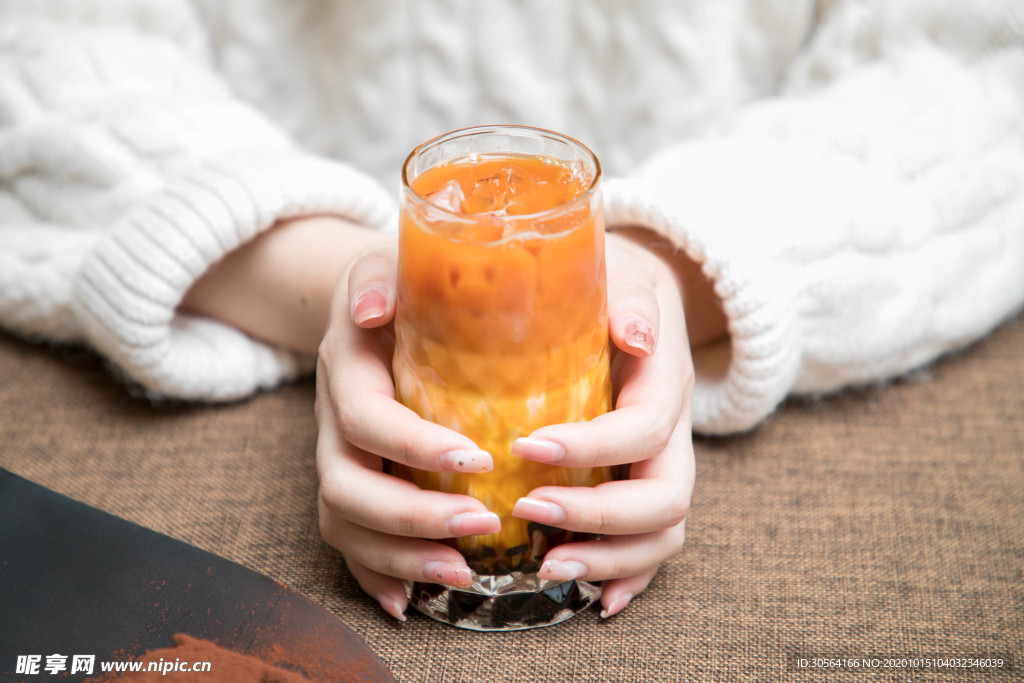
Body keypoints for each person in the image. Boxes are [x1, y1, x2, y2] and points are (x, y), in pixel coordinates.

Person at [1, 0, 1022, 622]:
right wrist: (341, 287)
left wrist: (666, 270)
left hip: (700, 231)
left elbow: (983, 68)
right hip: (311, 252)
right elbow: (43, 50)